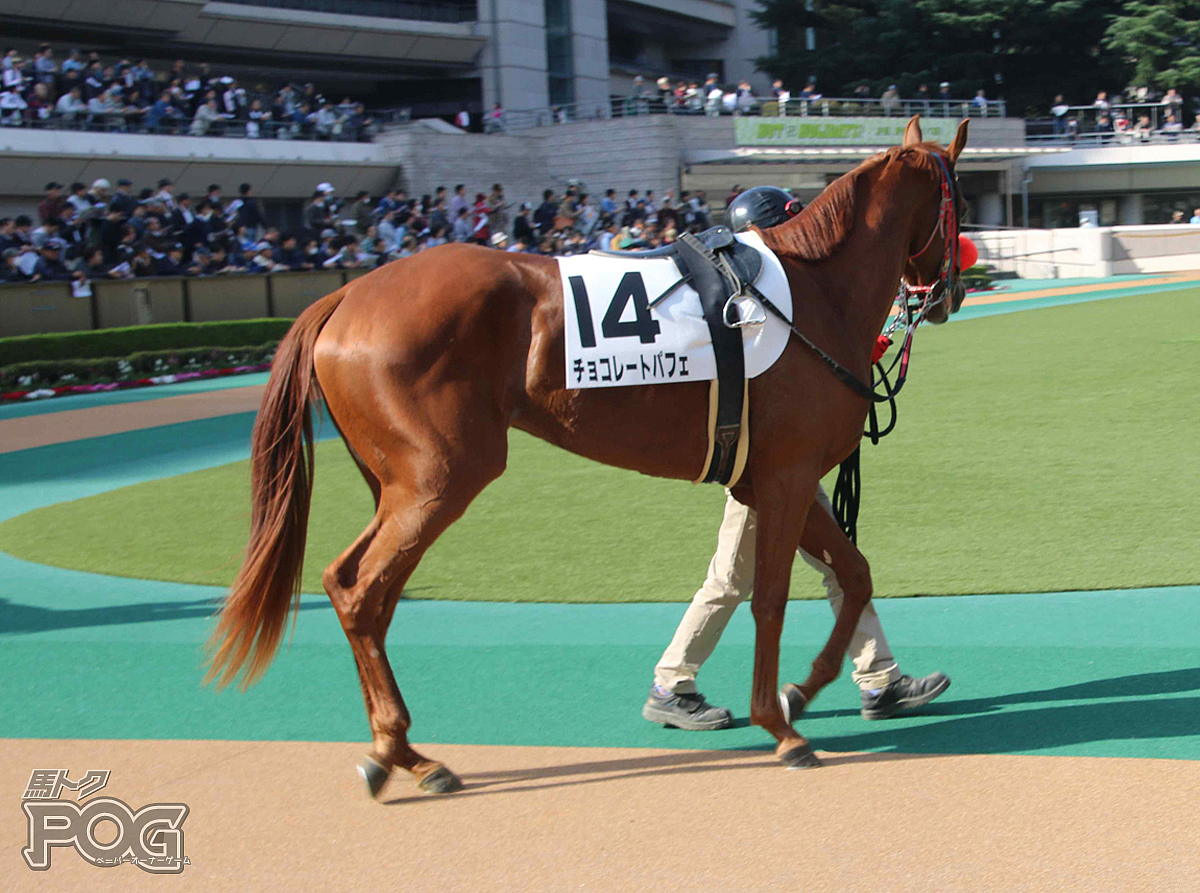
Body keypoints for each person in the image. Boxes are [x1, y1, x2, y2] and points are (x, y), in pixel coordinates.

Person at [642, 186, 951, 731]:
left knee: (831, 567)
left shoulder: (756, 295)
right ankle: (671, 682)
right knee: (737, 579)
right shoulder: (754, 301)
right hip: (769, 469)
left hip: (780, 463)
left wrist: (888, 329)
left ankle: (879, 678)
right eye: (789, 222)